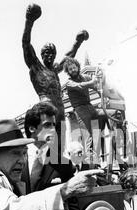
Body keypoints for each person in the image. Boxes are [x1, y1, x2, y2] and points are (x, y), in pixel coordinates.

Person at [22, 3, 89, 150]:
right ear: (41, 55)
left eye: (52, 53)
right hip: (46, 112)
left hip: (61, 111)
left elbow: (69, 55)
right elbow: (26, 44)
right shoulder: (36, 67)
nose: (50, 55)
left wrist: (78, 41)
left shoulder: (55, 70)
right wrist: (29, 21)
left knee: (60, 149)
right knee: (49, 148)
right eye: (46, 53)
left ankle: (61, 168)